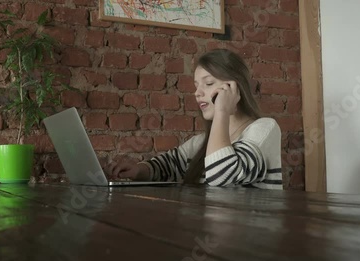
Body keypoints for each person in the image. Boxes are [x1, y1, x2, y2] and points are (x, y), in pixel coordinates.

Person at [104, 49, 283, 189]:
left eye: (209, 84)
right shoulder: (200, 143)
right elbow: (169, 165)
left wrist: (222, 110)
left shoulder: (263, 129)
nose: (197, 93)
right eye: (196, 86)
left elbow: (221, 174)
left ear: (233, 87)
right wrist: (138, 170)